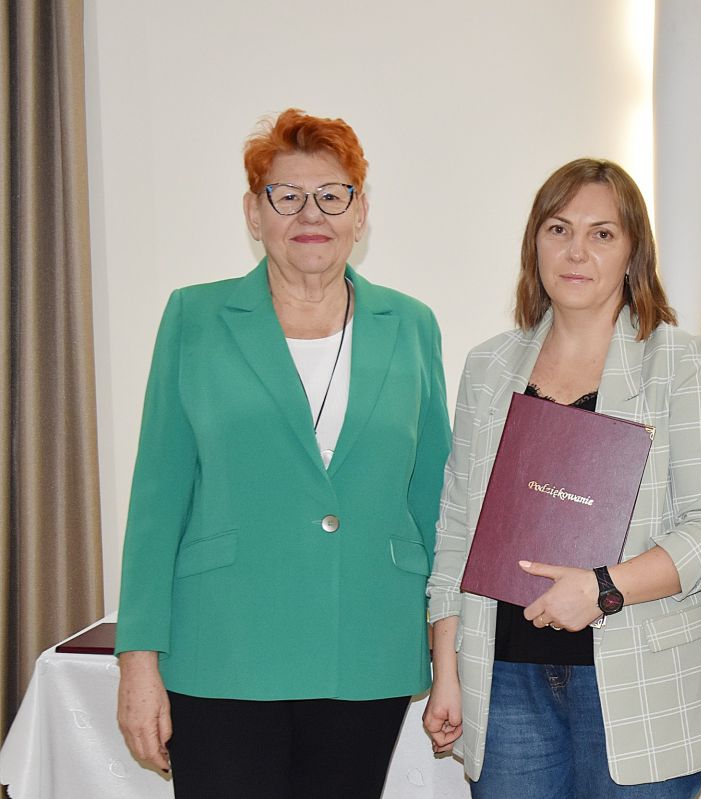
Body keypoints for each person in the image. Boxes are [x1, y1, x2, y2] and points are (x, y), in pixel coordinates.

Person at [114, 108, 451, 799]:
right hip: (224, 648)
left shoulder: (411, 326)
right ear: (254, 212)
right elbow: (157, 502)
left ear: (361, 213)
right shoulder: (195, 318)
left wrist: (452, 655)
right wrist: (137, 661)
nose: (311, 213)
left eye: (332, 195)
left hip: (367, 647)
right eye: (287, 195)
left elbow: (436, 505)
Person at [424, 158, 701, 798]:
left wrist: (603, 589)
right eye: (559, 229)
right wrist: (446, 668)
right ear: (534, 245)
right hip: (504, 681)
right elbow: (457, 529)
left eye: (602, 233)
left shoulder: (680, 362)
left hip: (640, 680)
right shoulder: (489, 367)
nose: (577, 251)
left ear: (632, 253)